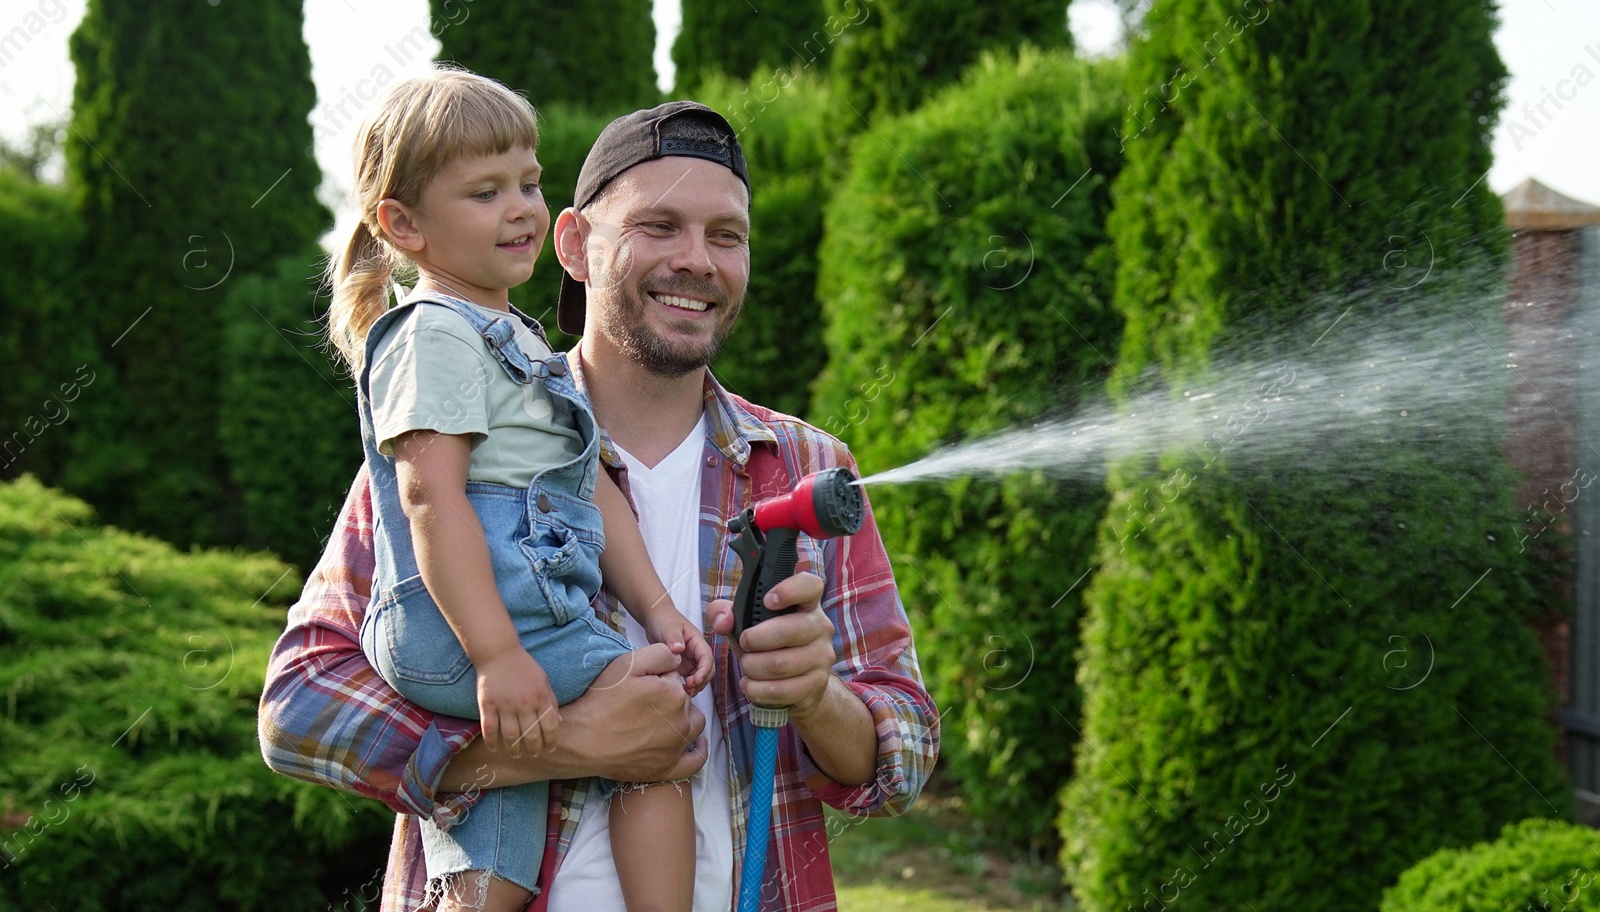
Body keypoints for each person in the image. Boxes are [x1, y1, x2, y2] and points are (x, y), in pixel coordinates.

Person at [259, 99, 940, 912]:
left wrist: (814, 695)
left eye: (727, 236)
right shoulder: (460, 441)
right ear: (575, 244)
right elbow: (298, 707)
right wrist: (558, 746)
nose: (698, 260)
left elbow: (904, 755)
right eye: (659, 226)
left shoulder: (802, 468)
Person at [321, 67, 709, 912]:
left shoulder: (515, 341)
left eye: (529, 182)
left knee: (510, 790)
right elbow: (430, 501)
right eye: (486, 191)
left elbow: (587, 489)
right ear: (402, 224)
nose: (522, 208)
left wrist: (659, 609)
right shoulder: (435, 334)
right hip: (469, 630)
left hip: (499, 630)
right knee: (662, 729)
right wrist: (499, 656)